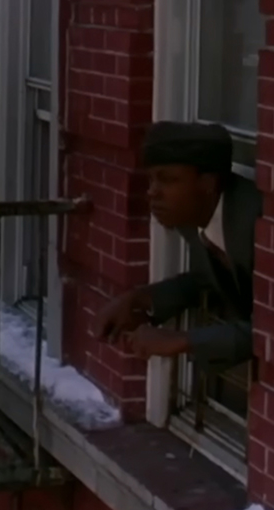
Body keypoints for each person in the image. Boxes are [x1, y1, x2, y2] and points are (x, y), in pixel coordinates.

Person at [93, 121, 260, 367]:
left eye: (168, 180)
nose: (152, 192)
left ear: (208, 183)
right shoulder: (192, 214)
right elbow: (209, 278)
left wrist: (183, 340)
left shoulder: (257, 226)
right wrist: (141, 299)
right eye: (151, 180)